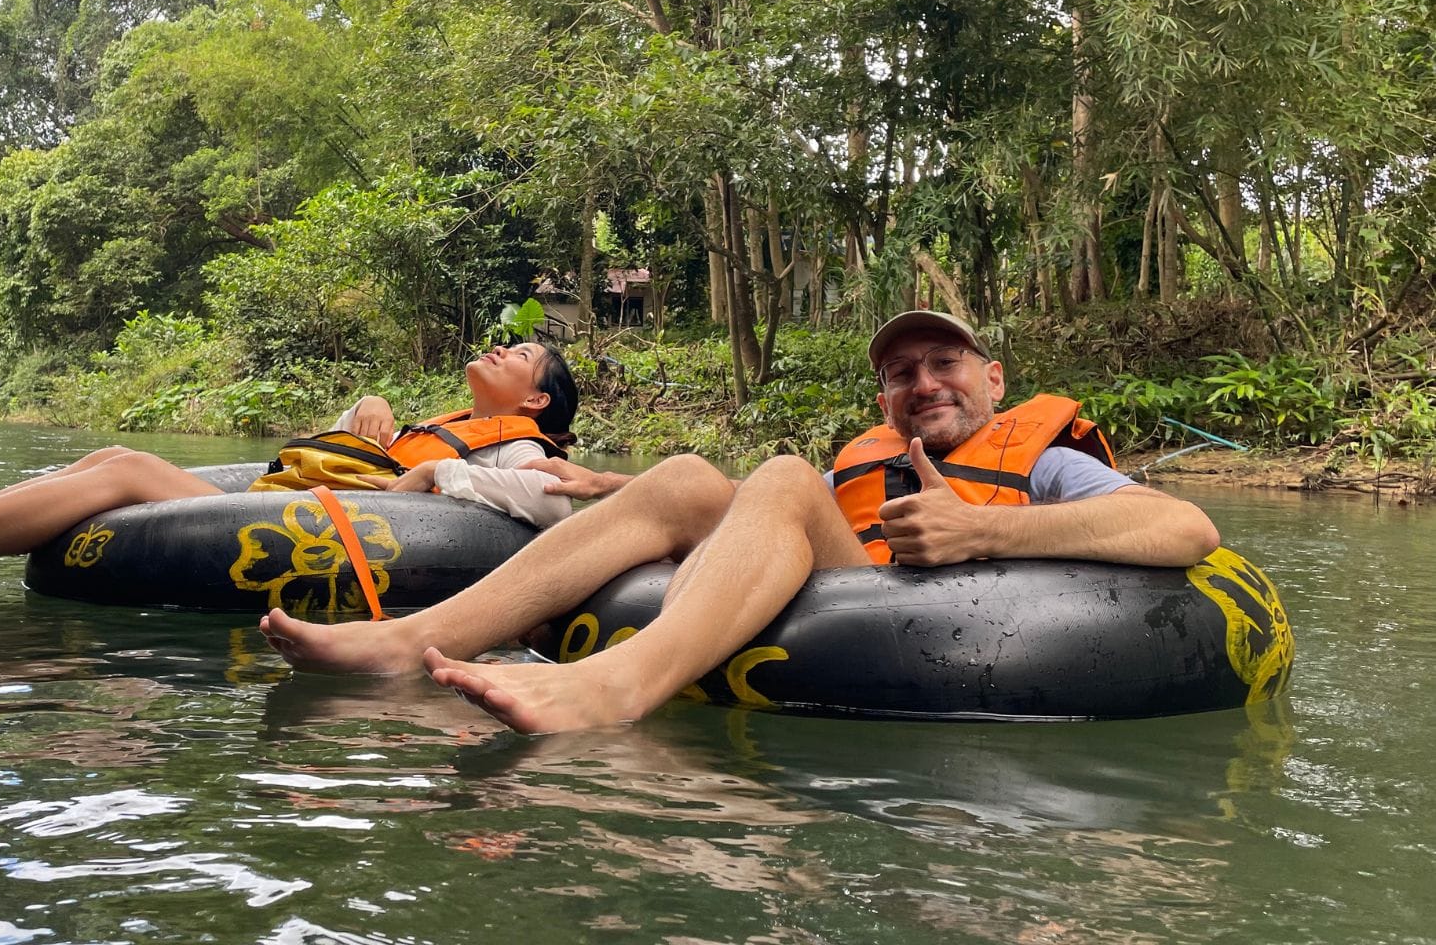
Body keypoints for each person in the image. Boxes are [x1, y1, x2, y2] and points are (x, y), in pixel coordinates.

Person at [259, 310, 1222, 734]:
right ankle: (408, 642)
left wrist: (989, 532)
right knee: (685, 475)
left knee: (783, 476)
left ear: (993, 381)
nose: (922, 383)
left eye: (946, 365)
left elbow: (1186, 534)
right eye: (902, 372)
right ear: (885, 394)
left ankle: (615, 689)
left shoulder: (1047, 460)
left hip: (981, 619)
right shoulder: (868, 460)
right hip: (858, 594)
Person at [0, 341, 581, 591]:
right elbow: (331, 454)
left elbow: (551, 509)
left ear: (538, 402)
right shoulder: (437, 423)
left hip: (319, 525)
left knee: (127, 468)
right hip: (283, 497)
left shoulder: (520, 446)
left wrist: (439, 477)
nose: (500, 348)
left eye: (520, 355)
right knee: (109, 456)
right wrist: (364, 409)